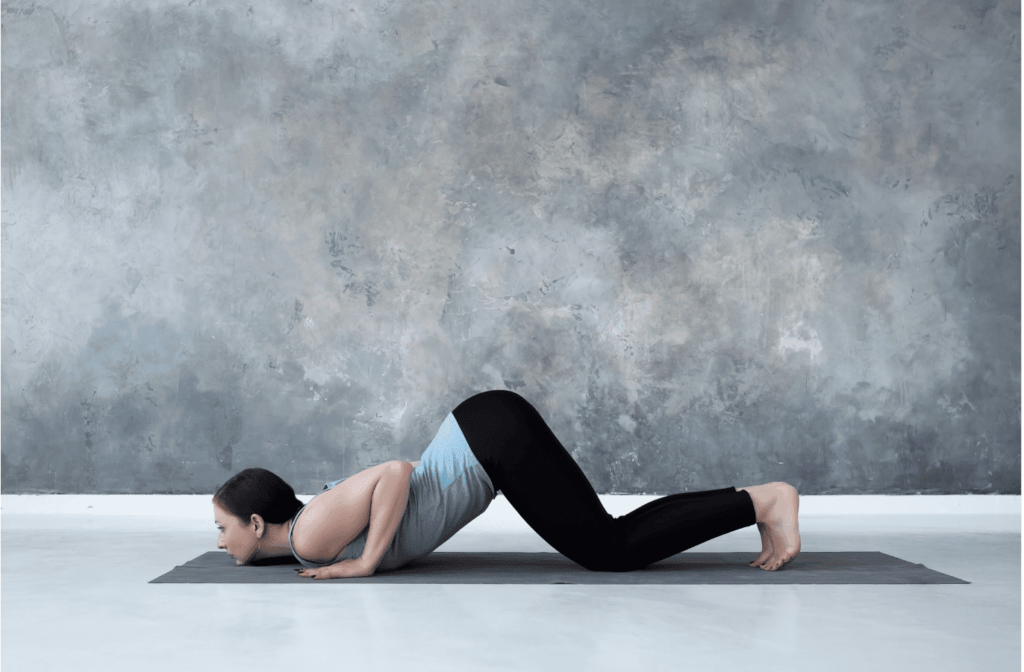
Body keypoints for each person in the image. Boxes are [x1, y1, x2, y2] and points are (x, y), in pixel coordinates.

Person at [212, 390, 801, 579]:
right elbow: (409, 479)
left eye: (222, 528)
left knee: (607, 548)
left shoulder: (310, 535)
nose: (218, 542)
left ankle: (764, 501)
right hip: (487, 431)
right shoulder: (312, 536)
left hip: (490, 439)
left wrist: (367, 562)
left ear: (256, 524)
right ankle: (756, 503)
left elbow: (395, 473)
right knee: (606, 541)